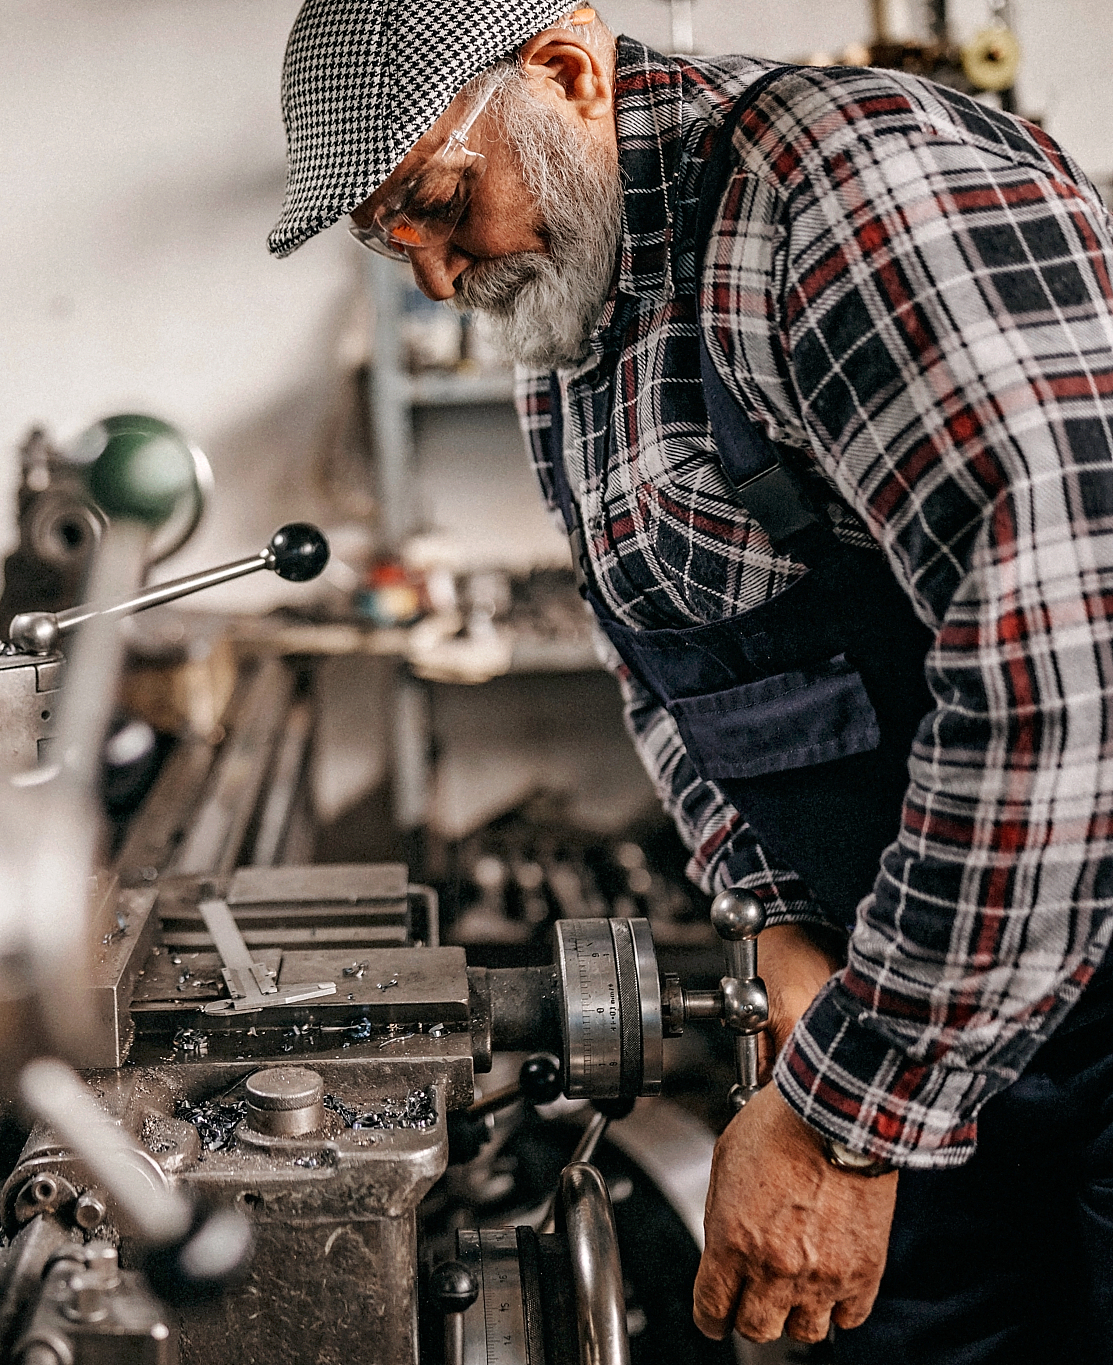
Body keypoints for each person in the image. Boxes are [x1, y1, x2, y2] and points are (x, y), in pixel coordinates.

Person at [269, 2, 1113, 1358]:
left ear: (567, 70)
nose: (434, 277)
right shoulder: (566, 308)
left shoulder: (847, 194)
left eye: (436, 199)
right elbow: (666, 670)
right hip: (913, 991)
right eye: (393, 237)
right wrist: (778, 926)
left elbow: (1065, 668)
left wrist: (848, 1110)